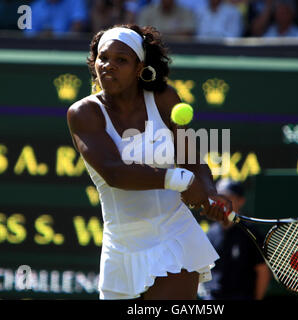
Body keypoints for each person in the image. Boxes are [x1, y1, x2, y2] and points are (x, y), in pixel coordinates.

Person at [66, 24, 233, 300]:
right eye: (103, 58)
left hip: (174, 236)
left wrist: (210, 194)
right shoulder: (83, 113)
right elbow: (114, 172)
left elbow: (191, 158)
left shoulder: (164, 99)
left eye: (121, 60)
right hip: (120, 247)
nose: (109, 66)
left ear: (139, 67)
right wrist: (177, 180)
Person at [201, 179, 271, 300]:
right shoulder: (210, 234)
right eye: (220, 198)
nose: (223, 203)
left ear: (241, 201)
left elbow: (262, 271)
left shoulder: (252, 234)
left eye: (229, 198)